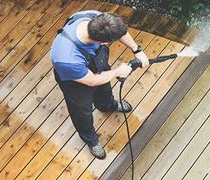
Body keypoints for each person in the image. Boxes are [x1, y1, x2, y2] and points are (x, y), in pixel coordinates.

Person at [50, 10, 149, 159]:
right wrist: (117, 72)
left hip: (97, 66)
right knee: (82, 112)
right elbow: (92, 81)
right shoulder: (67, 57)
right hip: (75, 83)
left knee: (104, 90)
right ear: (103, 42)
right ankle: (91, 140)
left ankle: (107, 105)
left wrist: (137, 50)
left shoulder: (96, 18)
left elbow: (120, 32)